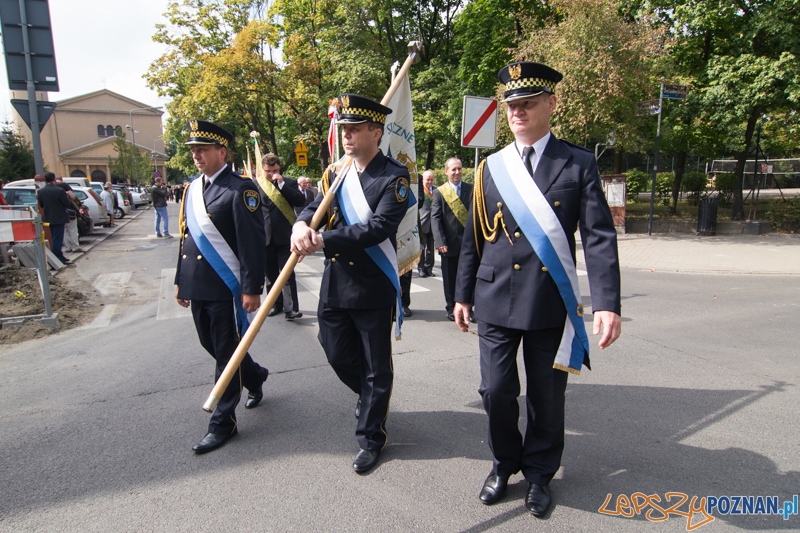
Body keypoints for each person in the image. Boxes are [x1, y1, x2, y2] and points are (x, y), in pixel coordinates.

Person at [454, 62, 622, 517]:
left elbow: (599, 237)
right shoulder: (491, 167)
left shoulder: (577, 162)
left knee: (547, 395)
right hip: (493, 297)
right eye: (512, 105)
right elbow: (474, 236)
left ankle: (540, 473)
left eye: (528, 103)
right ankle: (503, 462)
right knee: (495, 390)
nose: (518, 112)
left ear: (551, 104)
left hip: (548, 299)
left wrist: (607, 303)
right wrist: (462, 294)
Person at [291, 93, 409, 473]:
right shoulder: (335, 172)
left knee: (376, 365)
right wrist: (299, 225)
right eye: (344, 129)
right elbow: (314, 209)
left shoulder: (394, 176)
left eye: (355, 129)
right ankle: (371, 396)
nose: (346, 135)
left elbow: (379, 227)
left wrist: (323, 240)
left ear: (376, 132)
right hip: (336, 283)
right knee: (334, 350)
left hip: (372, 285)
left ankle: (372, 436)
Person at [174, 120, 269, 454]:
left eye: (202, 149)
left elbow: (252, 243)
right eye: (193, 150)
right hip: (198, 284)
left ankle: (222, 421)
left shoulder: (239, 188)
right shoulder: (192, 189)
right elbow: (186, 236)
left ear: (221, 152)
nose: (196, 155)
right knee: (211, 344)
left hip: (226, 288)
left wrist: (252, 287)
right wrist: (179, 280)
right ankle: (255, 375)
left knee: (225, 352)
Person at [255, 153, 304, 320]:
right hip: (264, 237)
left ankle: (291, 309)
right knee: (270, 275)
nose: (272, 174)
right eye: (268, 171)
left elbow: (299, 201)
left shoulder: (288, 183)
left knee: (287, 273)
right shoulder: (255, 185)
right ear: (263, 170)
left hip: (285, 237)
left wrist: (282, 185)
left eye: (275, 170)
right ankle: (275, 304)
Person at [431, 157, 472, 321]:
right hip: (448, 244)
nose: (457, 172)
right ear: (446, 171)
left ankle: (468, 307)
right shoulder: (440, 192)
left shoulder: (471, 189)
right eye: (453, 169)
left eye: (459, 169)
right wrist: (440, 241)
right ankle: (450, 307)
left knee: (469, 275)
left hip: (469, 244)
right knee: (450, 278)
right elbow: (435, 218)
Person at [37, 172, 73, 265]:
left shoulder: (41, 191)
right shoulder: (59, 190)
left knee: (54, 236)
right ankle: (58, 257)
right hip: (59, 217)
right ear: (54, 179)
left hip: (48, 217)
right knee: (58, 238)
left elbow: (41, 204)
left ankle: (59, 255)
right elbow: (67, 204)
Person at [54, 176, 83, 253]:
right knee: (72, 230)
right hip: (70, 212)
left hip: (58, 213)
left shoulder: (53, 187)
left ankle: (67, 247)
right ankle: (75, 247)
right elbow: (73, 197)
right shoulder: (64, 185)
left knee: (64, 231)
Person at [417, 169, 436, 277]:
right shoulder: (420, 191)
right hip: (422, 223)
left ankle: (429, 268)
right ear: (423, 180)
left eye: (431, 180)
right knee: (422, 248)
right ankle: (421, 268)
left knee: (431, 249)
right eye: (428, 179)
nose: (429, 182)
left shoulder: (437, 191)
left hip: (433, 224)